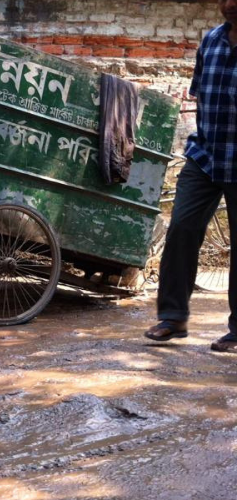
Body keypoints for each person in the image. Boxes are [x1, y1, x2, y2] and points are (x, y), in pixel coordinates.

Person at [144, 0, 237, 353]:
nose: (229, 4)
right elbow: (200, 95)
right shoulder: (211, 40)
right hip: (206, 156)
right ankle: (173, 317)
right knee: (181, 227)